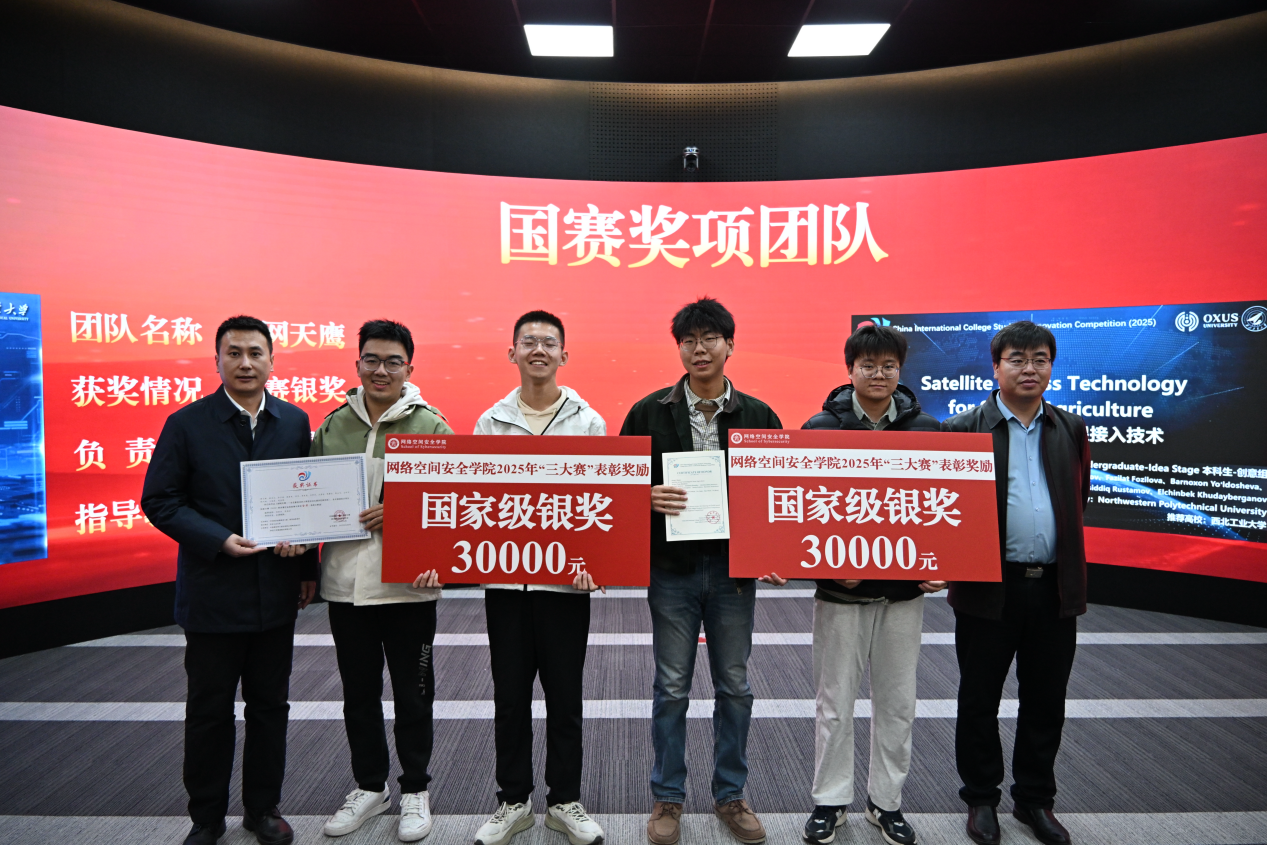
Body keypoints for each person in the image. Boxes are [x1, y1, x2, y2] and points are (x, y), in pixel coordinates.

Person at [141, 316, 318, 845]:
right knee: (209, 710)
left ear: (272, 361)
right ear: (216, 360)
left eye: (255, 353)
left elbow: (308, 500)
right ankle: (206, 816)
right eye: (234, 353)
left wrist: (306, 565)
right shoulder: (186, 423)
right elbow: (160, 500)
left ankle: (262, 808)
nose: (245, 363)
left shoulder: (294, 421)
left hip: (274, 593)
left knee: (270, 707)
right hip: (213, 592)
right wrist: (218, 539)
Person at [619, 297, 786, 845]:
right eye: (689, 340)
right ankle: (668, 797)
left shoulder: (759, 415)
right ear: (679, 349)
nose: (699, 349)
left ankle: (730, 794)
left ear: (729, 345)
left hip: (734, 573)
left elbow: (777, 493)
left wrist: (776, 551)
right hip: (673, 570)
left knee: (734, 686)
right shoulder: (648, 412)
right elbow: (617, 489)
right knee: (671, 687)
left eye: (710, 338)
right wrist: (645, 496)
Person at [943, 321, 1090, 845]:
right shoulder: (963, 429)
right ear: (996, 366)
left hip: (1053, 587)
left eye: (1040, 359)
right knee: (979, 699)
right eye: (1018, 359)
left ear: (1051, 366)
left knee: (1046, 700)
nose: (1030, 369)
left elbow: (1077, 501)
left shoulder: (1070, 428)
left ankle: (1034, 800)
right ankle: (981, 798)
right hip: (988, 587)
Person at [800, 325, 946, 845]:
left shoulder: (928, 430)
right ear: (850, 370)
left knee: (898, 703)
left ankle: (886, 803)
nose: (878, 374)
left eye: (888, 365)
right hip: (841, 594)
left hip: (904, 596)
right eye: (868, 365)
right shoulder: (820, 428)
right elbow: (801, 508)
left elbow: (944, 506)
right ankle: (830, 801)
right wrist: (826, 566)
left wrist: (943, 562)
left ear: (900, 370)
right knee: (834, 704)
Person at [308, 320, 453, 842]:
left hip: (408, 587)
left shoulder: (431, 427)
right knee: (359, 694)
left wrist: (403, 512)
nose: (381, 370)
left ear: (409, 368)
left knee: (414, 694)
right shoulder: (331, 427)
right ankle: (370, 786)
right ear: (357, 365)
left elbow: (453, 505)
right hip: (345, 585)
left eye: (393, 362)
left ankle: (415, 789)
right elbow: (308, 502)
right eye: (371, 360)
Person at [470, 310, 607, 845]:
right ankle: (513, 801)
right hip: (506, 585)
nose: (538, 350)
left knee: (565, 697)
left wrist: (599, 563)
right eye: (528, 341)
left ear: (564, 355)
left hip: (565, 586)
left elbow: (602, 503)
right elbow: (475, 502)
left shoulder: (588, 421)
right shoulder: (490, 421)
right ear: (512, 353)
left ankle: (564, 801)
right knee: (509, 697)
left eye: (549, 342)